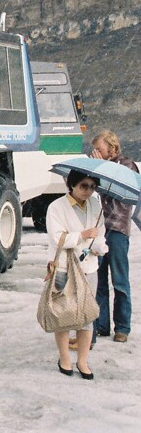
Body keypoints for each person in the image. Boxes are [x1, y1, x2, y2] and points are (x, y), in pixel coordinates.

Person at [46, 169, 107, 379]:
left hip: (89, 267)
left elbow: (100, 235)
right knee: (63, 313)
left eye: (92, 187)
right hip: (64, 267)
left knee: (87, 314)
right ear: (71, 185)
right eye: (83, 186)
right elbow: (57, 238)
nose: (88, 191)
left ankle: (82, 360)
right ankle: (64, 357)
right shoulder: (56, 207)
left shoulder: (95, 206)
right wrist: (82, 235)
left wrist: (98, 247)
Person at [90, 129, 136, 344]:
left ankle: (122, 327)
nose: (96, 153)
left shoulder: (127, 165)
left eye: (100, 149)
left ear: (112, 148)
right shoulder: (97, 169)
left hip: (117, 229)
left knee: (119, 280)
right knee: (98, 280)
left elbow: (119, 188)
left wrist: (103, 169)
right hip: (99, 230)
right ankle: (101, 324)